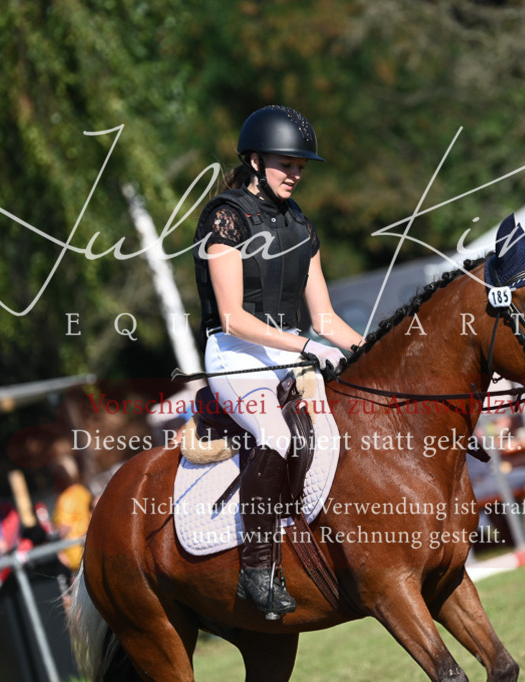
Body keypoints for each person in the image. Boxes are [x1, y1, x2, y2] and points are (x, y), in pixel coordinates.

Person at [192, 105, 364, 617]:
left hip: (288, 350)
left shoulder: (300, 225)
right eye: (286, 164)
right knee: (276, 434)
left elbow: (325, 319)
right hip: (236, 354)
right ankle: (258, 568)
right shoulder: (225, 217)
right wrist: (306, 347)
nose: (294, 174)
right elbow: (232, 318)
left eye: (300, 166)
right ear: (254, 160)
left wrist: (372, 351)